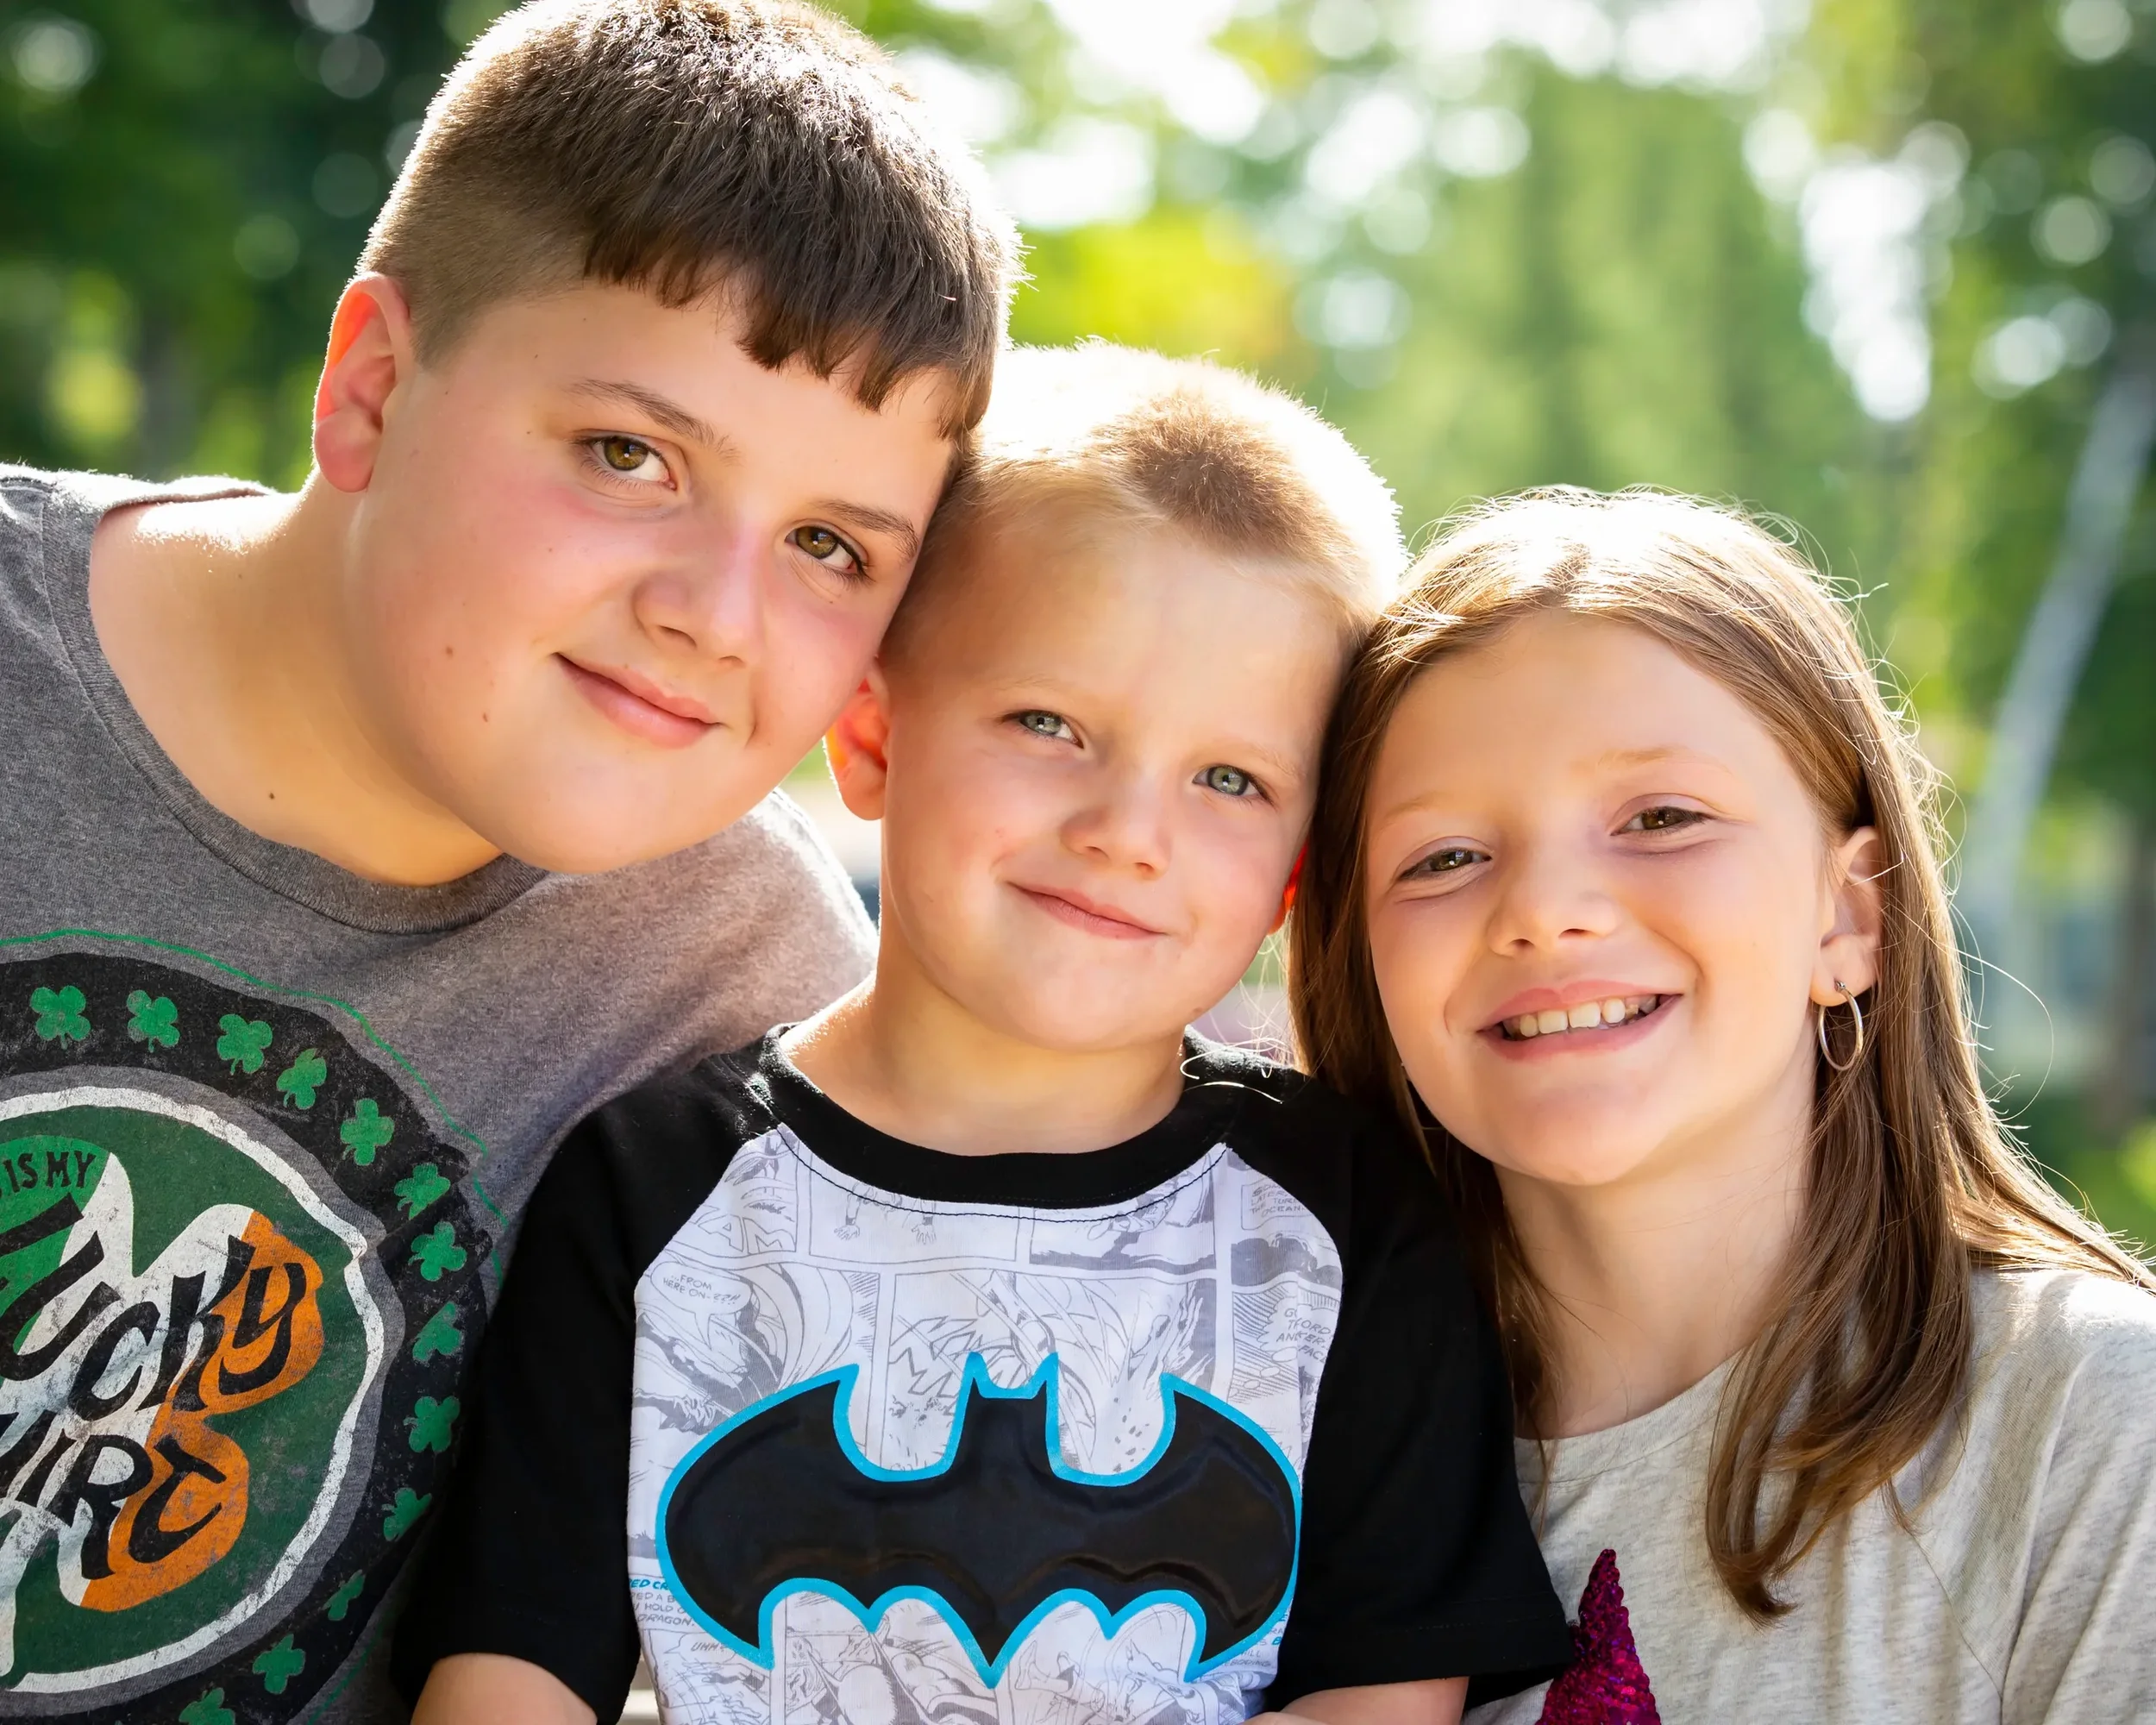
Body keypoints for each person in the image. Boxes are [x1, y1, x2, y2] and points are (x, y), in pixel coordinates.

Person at [0, 2, 1015, 1720]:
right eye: (633, 455)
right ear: (374, 391)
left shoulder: (744, 1001)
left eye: (833, 545)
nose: (713, 611)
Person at [392, 344, 1574, 1725]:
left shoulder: (1350, 1218)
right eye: (1049, 723)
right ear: (874, 738)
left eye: (1229, 779)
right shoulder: (656, 1189)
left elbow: (1383, 1698)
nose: (1126, 833)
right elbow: (510, 1672)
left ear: (1301, 861)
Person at [1289, 487, 2156, 1722]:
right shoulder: (1258, 1438)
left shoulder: (2091, 1429)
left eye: (1661, 819)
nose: (1546, 908)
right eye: (1444, 857)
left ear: (1848, 916)